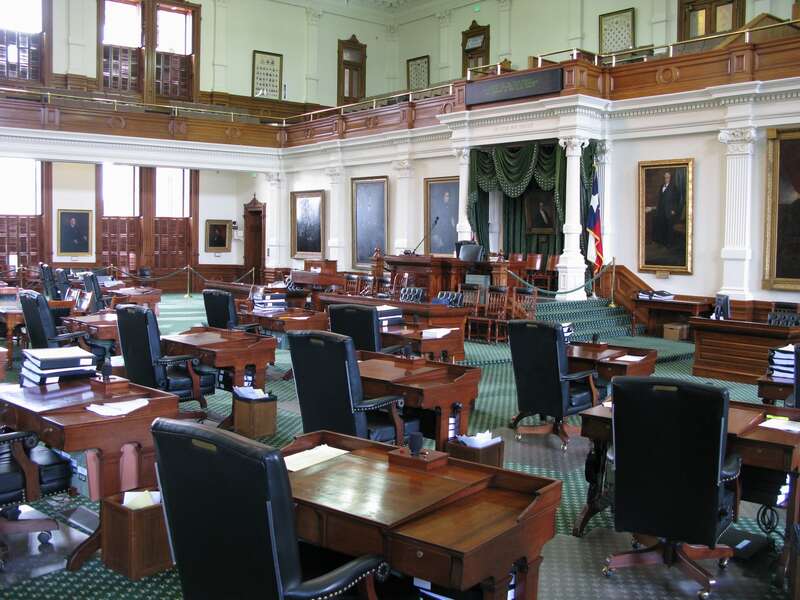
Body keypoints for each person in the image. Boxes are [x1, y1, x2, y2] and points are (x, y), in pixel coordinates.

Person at [653, 171, 683, 247]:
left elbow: (677, 200)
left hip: (669, 211)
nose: (666, 179)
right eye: (665, 177)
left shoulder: (674, 187)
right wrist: (658, 208)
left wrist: (674, 210)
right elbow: (660, 199)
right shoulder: (662, 186)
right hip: (662, 210)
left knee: (669, 228)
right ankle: (663, 242)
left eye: (668, 177)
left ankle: (669, 244)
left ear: (670, 178)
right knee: (663, 226)